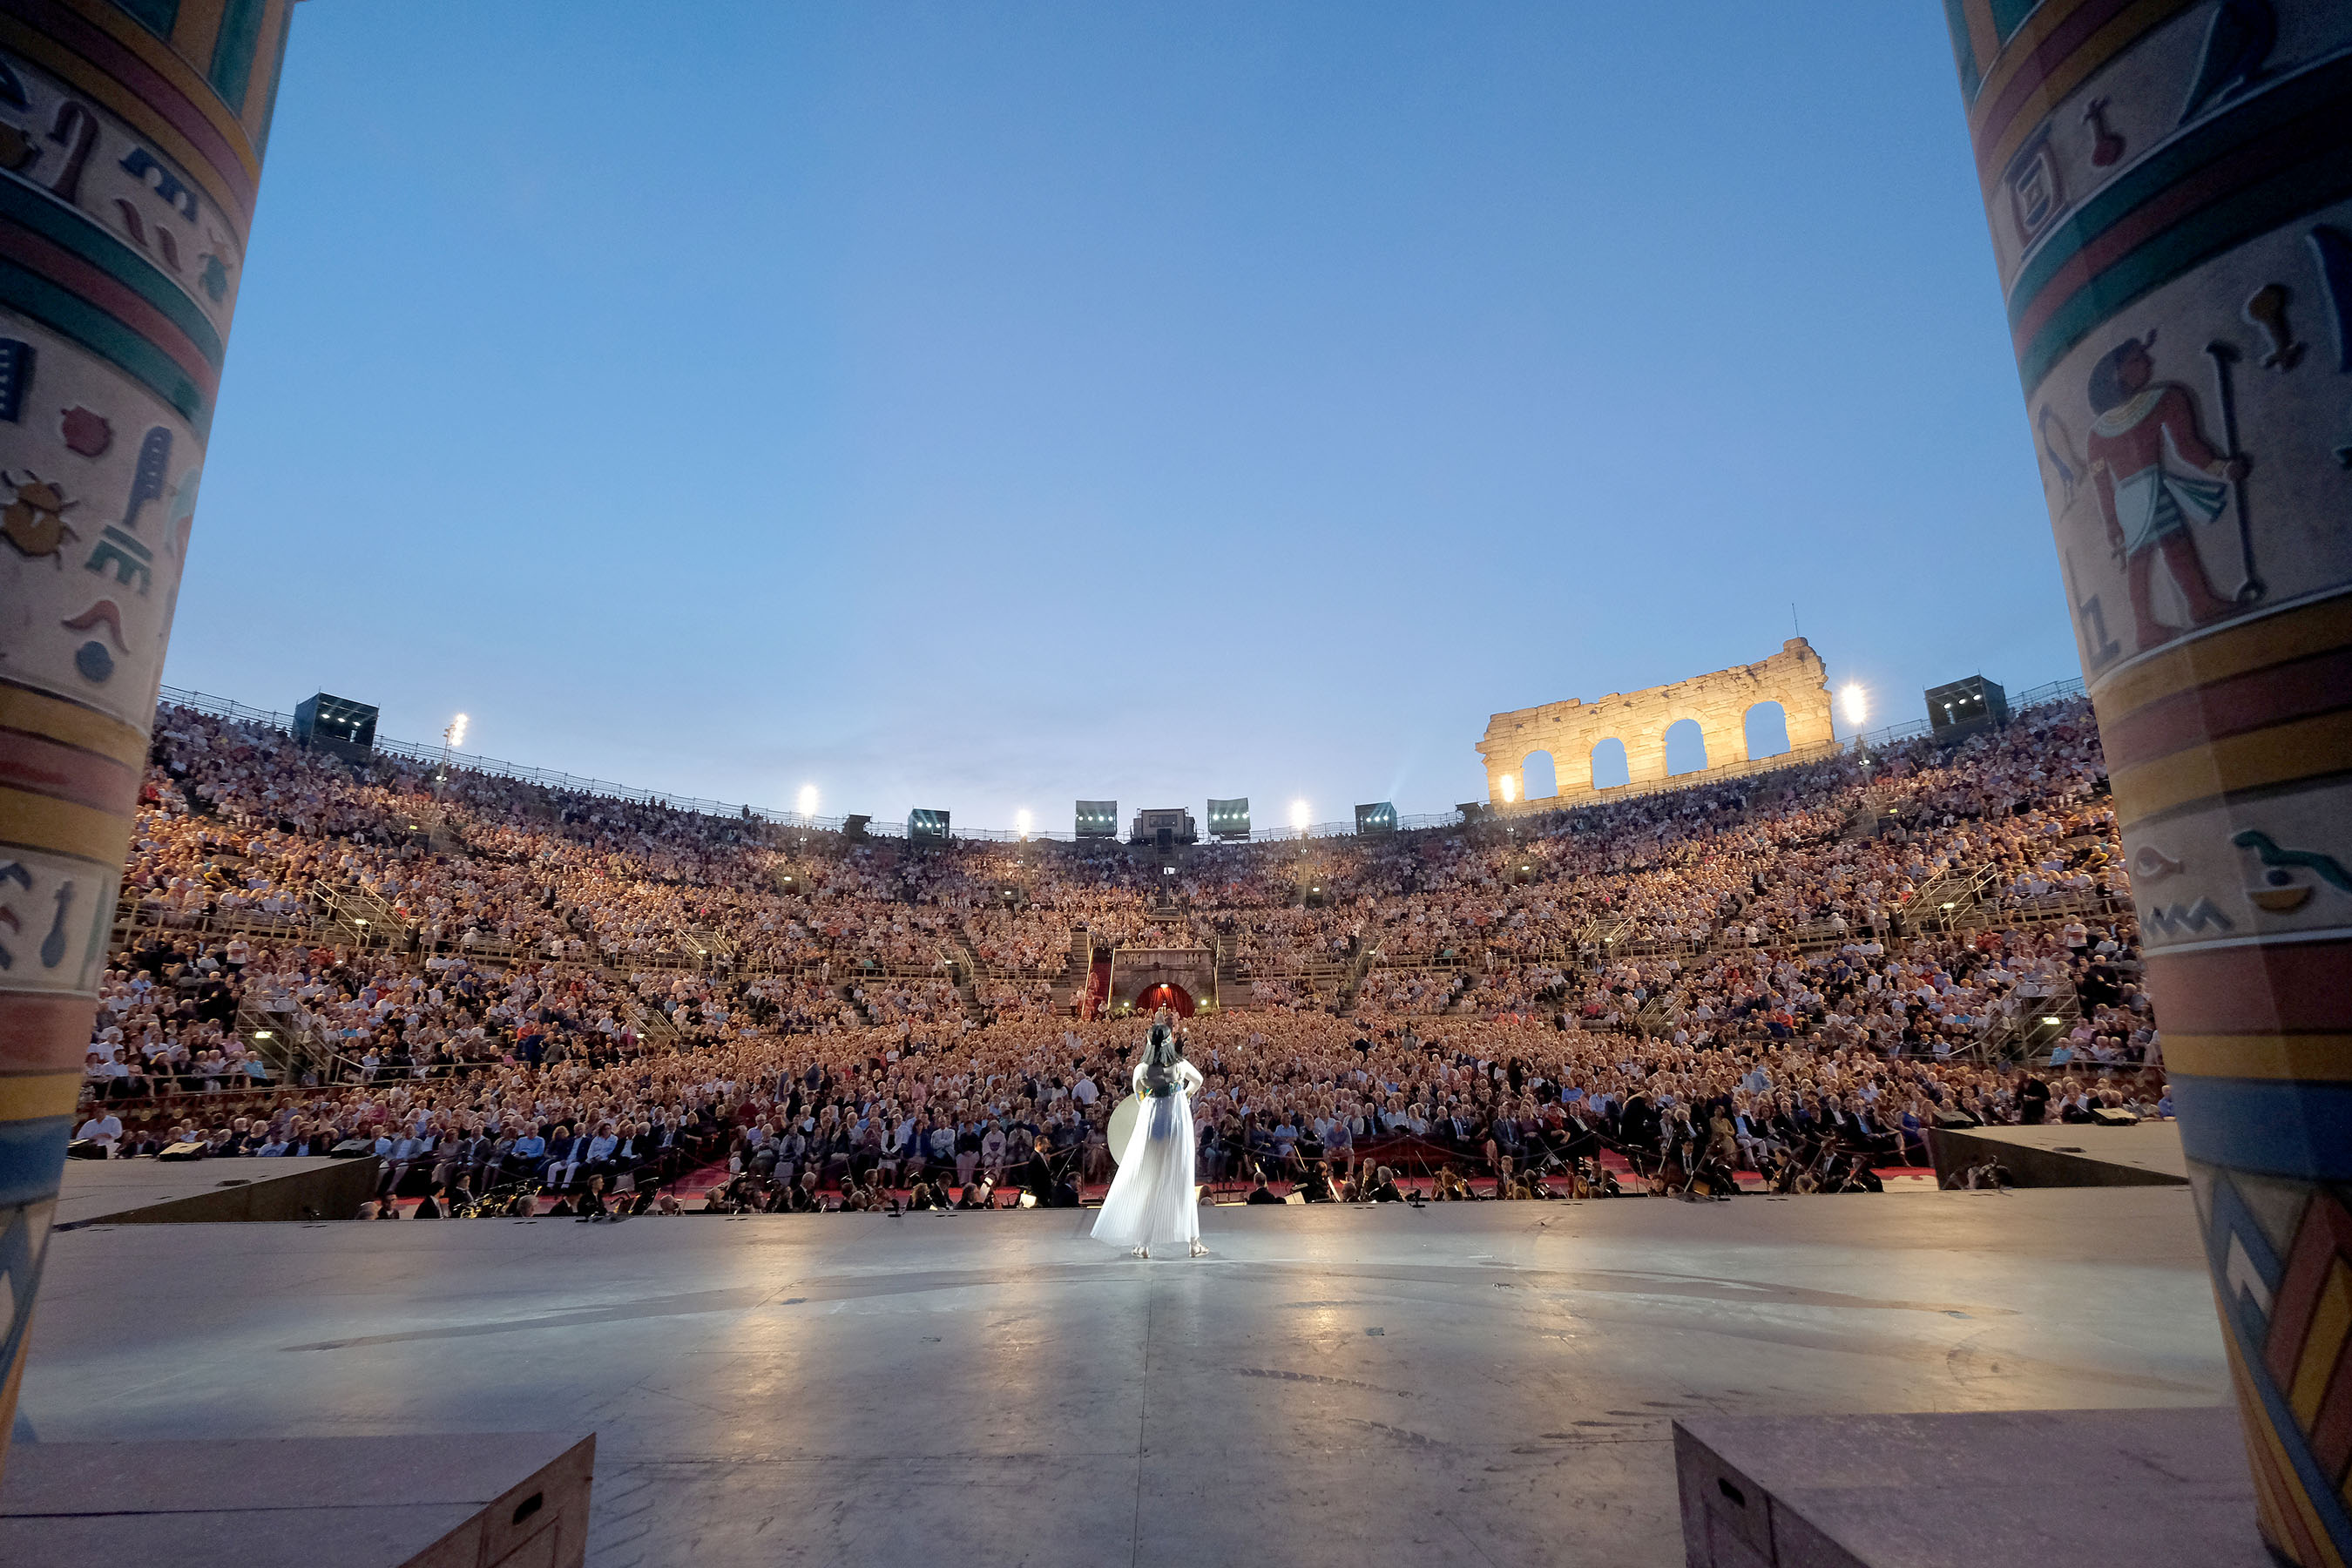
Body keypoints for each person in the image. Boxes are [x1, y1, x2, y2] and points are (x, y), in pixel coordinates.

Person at [1092, 1016, 1206, 1258]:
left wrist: (1154, 1104)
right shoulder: (1179, 1066)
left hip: (1154, 1120)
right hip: (1177, 1119)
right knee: (1183, 1174)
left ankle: (1144, 1243)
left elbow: (1138, 1095)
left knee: (1150, 1177)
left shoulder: (1142, 1069)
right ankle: (1194, 1242)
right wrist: (1184, 1095)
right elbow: (1198, 1081)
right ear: (1169, 1041)